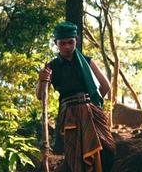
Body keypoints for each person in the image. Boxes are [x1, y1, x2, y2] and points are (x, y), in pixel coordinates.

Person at [36, 21, 116, 172]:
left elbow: (105, 86)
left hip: (91, 112)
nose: (67, 46)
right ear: (56, 43)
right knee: (75, 157)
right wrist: (42, 79)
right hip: (69, 116)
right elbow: (40, 96)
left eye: (70, 42)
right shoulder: (51, 67)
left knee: (106, 150)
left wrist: (92, 105)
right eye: (62, 43)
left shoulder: (87, 61)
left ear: (76, 41)